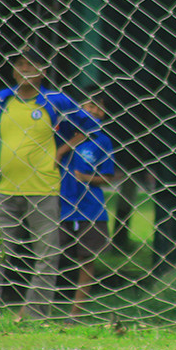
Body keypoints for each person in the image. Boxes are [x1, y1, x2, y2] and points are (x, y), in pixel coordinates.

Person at [0, 46, 100, 319]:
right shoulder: (4, 98)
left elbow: (90, 126)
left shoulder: (55, 101)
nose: (25, 69)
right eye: (20, 64)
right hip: (7, 189)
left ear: (43, 71)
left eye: (31, 65)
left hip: (43, 190)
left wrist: (61, 151)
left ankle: (33, 314)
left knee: (46, 256)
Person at [57, 94, 115, 322]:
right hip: (59, 206)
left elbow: (108, 177)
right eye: (89, 105)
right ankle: (37, 306)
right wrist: (69, 145)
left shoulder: (103, 141)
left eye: (99, 108)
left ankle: (76, 312)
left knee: (86, 259)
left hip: (90, 210)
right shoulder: (62, 132)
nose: (93, 111)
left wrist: (86, 178)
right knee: (50, 256)